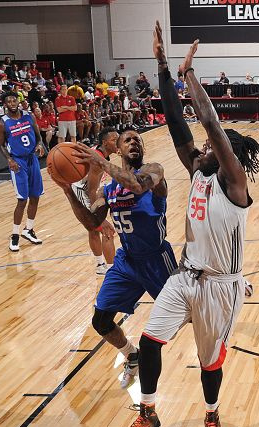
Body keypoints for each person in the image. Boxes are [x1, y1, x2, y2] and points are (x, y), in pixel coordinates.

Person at [114, 23, 259, 427]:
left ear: (226, 154)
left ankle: (212, 417)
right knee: (150, 341)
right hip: (185, 276)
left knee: (208, 362)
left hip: (220, 287)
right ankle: (148, 412)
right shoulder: (199, 170)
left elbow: (211, 125)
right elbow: (176, 122)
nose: (200, 149)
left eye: (209, 147)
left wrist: (189, 74)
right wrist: (163, 67)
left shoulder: (234, 182)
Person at [60, 127, 175, 395]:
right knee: (101, 321)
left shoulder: (154, 171)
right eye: (127, 140)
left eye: (138, 139)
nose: (134, 142)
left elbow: (136, 186)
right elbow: (92, 222)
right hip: (127, 262)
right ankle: (132, 354)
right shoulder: (108, 190)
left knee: (189, 316)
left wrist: (100, 162)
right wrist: (68, 192)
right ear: (119, 149)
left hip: (157, 260)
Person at [0, 91, 46, 251]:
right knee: (22, 200)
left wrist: (39, 145)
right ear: (5, 104)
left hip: (32, 159)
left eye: (14, 100)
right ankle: (15, 235)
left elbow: (39, 137)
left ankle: (29, 229)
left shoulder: (29, 116)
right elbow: (1, 145)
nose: (12, 103)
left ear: (18, 101)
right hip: (18, 162)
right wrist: (9, 160)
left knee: (35, 196)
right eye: (9, 101)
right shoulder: (2, 123)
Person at [70, 127, 119, 274]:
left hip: (88, 189)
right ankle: (111, 270)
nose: (118, 142)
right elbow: (90, 191)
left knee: (93, 229)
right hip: (82, 191)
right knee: (106, 229)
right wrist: (99, 217)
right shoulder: (97, 160)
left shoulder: (101, 154)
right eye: (114, 140)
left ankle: (100, 265)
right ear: (104, 143)